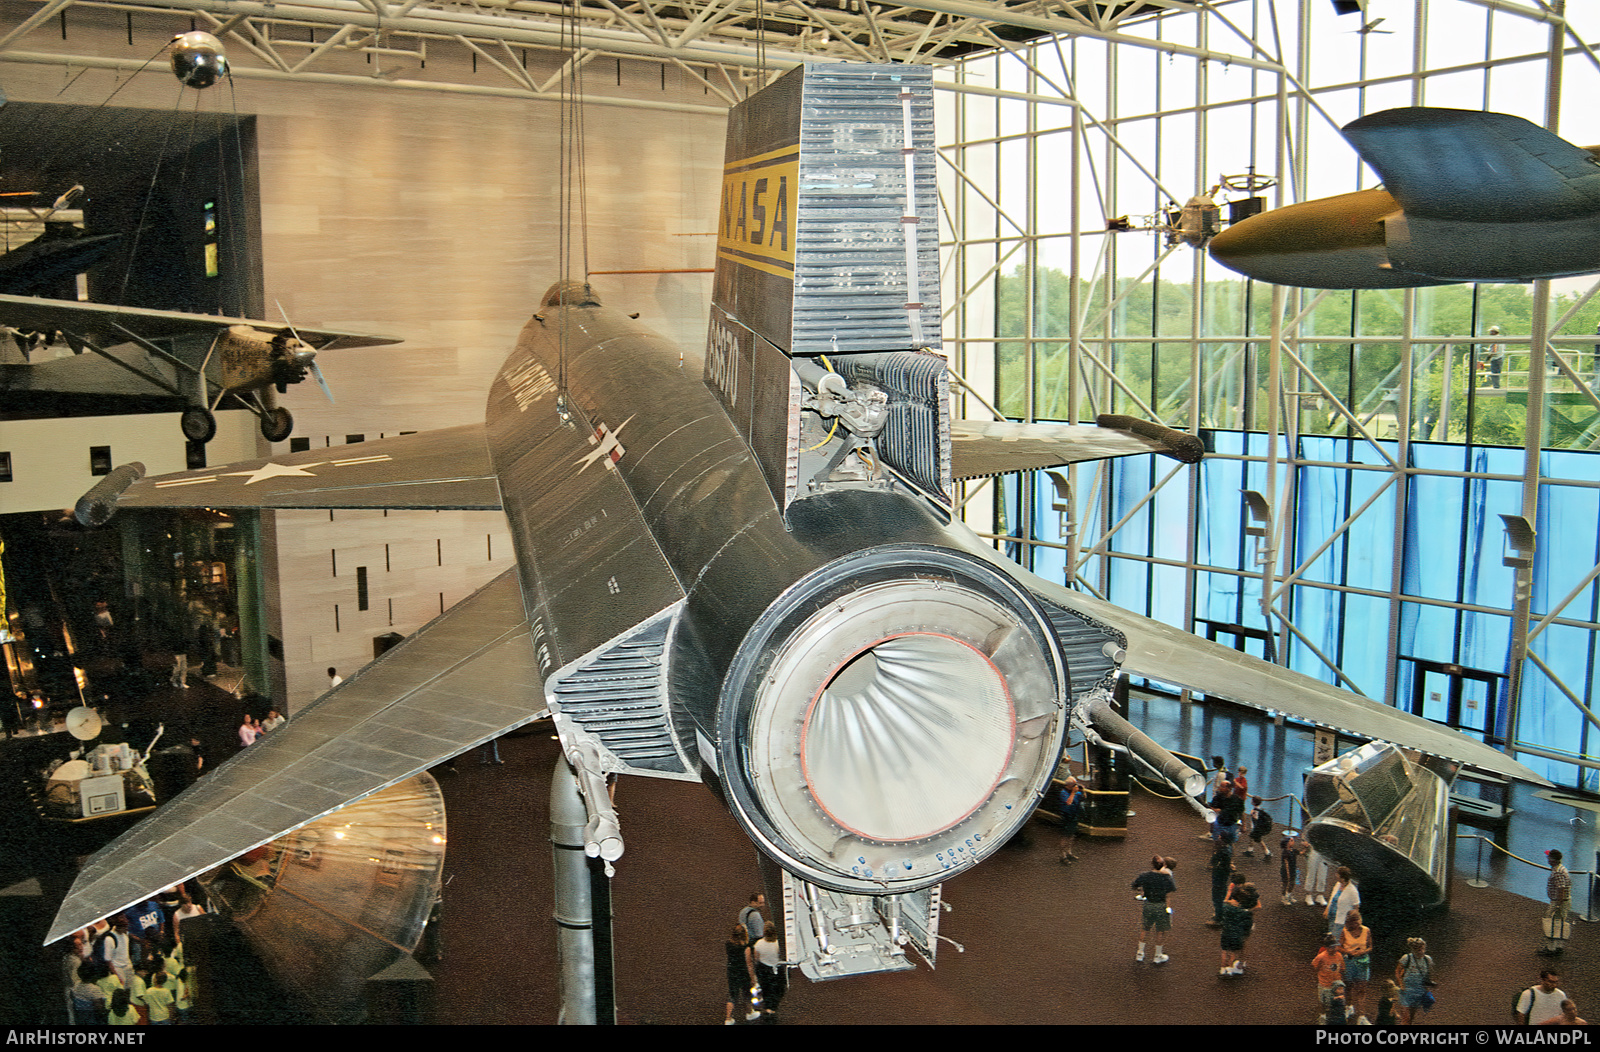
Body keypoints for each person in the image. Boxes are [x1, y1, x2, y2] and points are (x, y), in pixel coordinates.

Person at [1132, 855, 1177, 964]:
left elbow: (1135, 885)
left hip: (1148, 904)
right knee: (1160, 931)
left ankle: (1140, 953)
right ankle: (1157, 956)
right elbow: (1170, 893)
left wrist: (1142, 892)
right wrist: (1168, 908)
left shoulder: (1145, 875)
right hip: (1161, 906)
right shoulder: (1167, 878)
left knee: (1145, 928)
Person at [1339, 909, 1373, 1024]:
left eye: (1357, 920)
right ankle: (1349, 1007)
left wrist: (1363, 952)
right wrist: (1348, 952)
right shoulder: (1344, 931)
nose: (1356, 924)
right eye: (1353, 922)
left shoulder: (1366, 930)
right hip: (1349, 962)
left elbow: (1370, 947)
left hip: (1363, 962)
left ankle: (1362, 1016)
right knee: (1348, 986)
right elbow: (1339, 947)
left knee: (1362, 989)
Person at [747, 922, 785, 1019]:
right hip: (777, 969)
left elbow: (756, 958)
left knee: (766, 989)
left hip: (764, 969)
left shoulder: (759, 944)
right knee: (777, 989)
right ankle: (773, 1008)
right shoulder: (778, 944)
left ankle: (768, 1008)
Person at [1218, 881, 1257, 976]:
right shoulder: (1244, 912)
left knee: (1224, 951)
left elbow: (1225, 902)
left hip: (1226, 932)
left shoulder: (1226, 907)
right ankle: (1230, 969)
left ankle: (1223, 969)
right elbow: (1247, 925)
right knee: (1232, 953)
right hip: (1237, 934)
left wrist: (1229, 892)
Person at [1395, 936, 1434, 1024]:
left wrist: (1428, 984)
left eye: (1422, 949)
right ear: (1413, 950)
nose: (1421, 952)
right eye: (1418, 950)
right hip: (1406, 991)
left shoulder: (1427, 959)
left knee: (1411, 1017)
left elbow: (1429, 973)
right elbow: (1397, 971)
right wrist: (1401, 984)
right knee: (1406, 1017)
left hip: (1418, 991)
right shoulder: (1407, 958)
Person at [723, 924, 756, 1024]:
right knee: (746, 994)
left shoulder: (728, 944)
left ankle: (728, 1018)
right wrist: (752, 977)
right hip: (743, 973)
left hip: (732, 971)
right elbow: (749, 963)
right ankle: (750, 1013)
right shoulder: (746, 947)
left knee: (733, 995)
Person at [1542, 849, 1571, 956]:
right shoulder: (1560, 869)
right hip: (1562, 901)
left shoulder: (1558, 872)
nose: (1547, 859)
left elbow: (1561, 889)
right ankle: (1558, 947)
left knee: (1552, 923)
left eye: (1548, 857)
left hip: (1558, 902)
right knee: (1559, 924)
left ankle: (1551, 949)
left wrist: (1558, 904)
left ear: (1553, 860)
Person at [1313, 933, 1345, 1016]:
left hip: (1336, 984)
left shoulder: (1339, 955)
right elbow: (1314, 966)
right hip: (1325, 984)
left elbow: (1342, 968)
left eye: (1335, 946)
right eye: (1332, 947)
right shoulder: (1321, 957)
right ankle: (1323, 1016)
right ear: (1326, 948)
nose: (1334, 949)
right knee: (1323, 1002)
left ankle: (1335, 1017)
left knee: (1336, 1002)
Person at [1325, 867, 1360, 938]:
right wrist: (1327, 909)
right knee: (1330, 934)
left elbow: (1356, 907)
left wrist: (1353, 920)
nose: (1336, 875)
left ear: (1342, 878)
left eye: (1337, 874)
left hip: (1341, 919)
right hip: (1332, 915)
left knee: (1335, 938)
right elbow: (1332, 897)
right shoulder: (1338, 884)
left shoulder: (1352, 891)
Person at [1057, 776, 1085, 863]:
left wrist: (1083, 790)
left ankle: (1069, 852)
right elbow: (1068, 803)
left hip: (1074, 815)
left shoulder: (1076, 792)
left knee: (1072, 835)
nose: (1076, 786)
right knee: (1065, 837)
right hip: (1066, 817)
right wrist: (1073, 793)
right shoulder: (1063, 793)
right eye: (1074, 785)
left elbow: (1083, 798)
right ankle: (1062, 855)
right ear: (1069, 786)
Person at [1279, 829, 1307, 905]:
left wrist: (1305, 847)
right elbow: (1286, 864)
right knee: (1286, 884)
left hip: (1293, 870)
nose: (1293, 841)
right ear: (1287, 843)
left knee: (1292, 884)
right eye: (1291, 840)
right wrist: (1288, 873)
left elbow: (1301, 853)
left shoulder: (1293, 850)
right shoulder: (1285, 853)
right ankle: (1284, 898)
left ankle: (1289, 895)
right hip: (1286, 871)